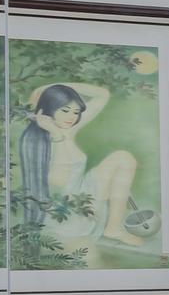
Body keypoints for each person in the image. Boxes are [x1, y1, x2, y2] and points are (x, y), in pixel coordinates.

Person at [16, 82, 145, 253]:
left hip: (80, 191)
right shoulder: (38, 140)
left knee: (123, 158)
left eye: (76, 112)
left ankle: (113, 228)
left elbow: (102, 94)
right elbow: (59, 182)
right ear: (48, 110)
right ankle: (107, 228)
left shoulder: (67, 127)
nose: (71, 117)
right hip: (66, 212)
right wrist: (56, 135)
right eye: (65, 111)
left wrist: (53, 86)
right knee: (120, 160)